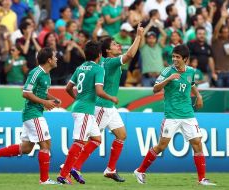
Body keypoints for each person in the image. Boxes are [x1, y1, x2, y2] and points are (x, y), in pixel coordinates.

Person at [69, 24, 144, 183]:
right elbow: (130, 54)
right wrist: (138, 36)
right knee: (92, 140)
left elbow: (96, 48)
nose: (119, 45)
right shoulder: (111, 62)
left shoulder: (102, 60)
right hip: (102, 106)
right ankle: (72, 168)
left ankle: (110, 169)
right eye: (115, 44)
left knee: (121, 135)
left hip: (109, 108)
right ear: (108, 51)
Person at [133, 44, 216, 186]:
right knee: (162, 145)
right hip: (171, 115)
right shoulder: (167, 71)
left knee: (197, 144)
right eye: (173, 56)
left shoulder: (190, 71)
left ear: (185, 59)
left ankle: (202, 179)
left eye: (177, 57)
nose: (174, 59)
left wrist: (199, 96)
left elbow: (192, 84)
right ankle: (140, 170)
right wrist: (169, 79)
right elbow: (155, 89)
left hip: (188, 114)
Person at [0, 47, 61, 185]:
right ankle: (44, 180)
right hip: (32, 112)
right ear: (49, 60)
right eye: (54, 56)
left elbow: (41, 92)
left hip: (35, 112)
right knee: (46, 144)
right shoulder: (36, 73)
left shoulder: (47, 75)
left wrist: (53, 99)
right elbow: (25, 92)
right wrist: (44, 102)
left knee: (27, 148)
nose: (56, 58)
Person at [57, 40, 118, 184]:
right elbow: (99, 91)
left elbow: (68, 88)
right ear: (99, 55)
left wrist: (78, 98)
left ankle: (71, 169)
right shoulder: (98, 69)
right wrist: (111, 98)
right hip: (84, 111)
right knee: (79, 142)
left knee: (97, 139)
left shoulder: (80, 67)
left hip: (83, 109)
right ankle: (63, 174)